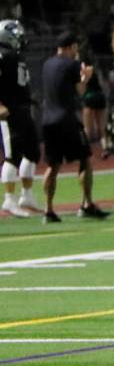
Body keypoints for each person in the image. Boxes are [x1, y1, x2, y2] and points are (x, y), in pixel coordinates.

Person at [40, 32, 108, 223]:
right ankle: (86, 204)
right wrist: (85, 77)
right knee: (85, 159)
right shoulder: (72, 64)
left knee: (53, 166)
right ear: (71, 47)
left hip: (48, 120)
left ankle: (48, 210)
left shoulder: (46, 64)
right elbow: (80, 91)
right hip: (67, 120)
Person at [0, 19, 41, 217]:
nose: (20, 37)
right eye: (16, 33)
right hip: (8, 111)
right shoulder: (1, 56)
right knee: (12, 155)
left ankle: (27, 195)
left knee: (32, 152)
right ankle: (9, 199)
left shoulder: (16, 56)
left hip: (23, 109)